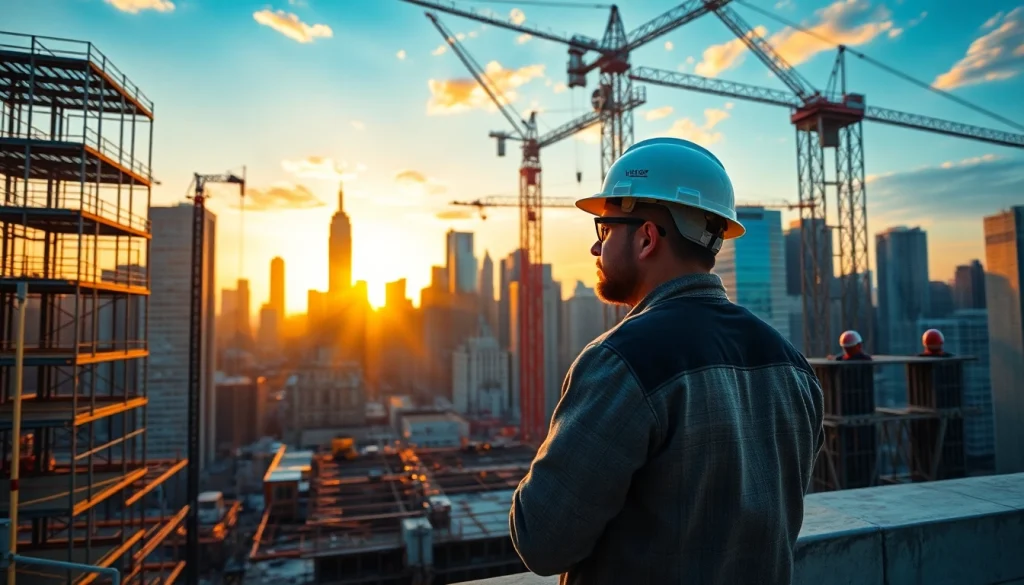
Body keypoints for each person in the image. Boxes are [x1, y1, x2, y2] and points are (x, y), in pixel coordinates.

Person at [508, 137, 825, 585]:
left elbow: (541, 539)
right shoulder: (791, 364)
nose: (596, 249)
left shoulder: (622, 361)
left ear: (646, 237)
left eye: (604, 229)